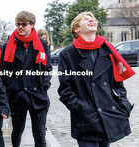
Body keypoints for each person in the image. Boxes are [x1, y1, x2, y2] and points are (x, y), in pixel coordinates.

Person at [58, 12, 135, 147]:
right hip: (86, 120)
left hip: (108, 115)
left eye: (93, 19)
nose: (92, 20)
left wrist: (123, 104)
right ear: (76, 29)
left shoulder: (107, 49)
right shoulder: (68, 54)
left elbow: (117, 82)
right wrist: (82, 109)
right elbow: (65, 89)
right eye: (86, 19)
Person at [0, 11, 52, 147]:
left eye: (24, 24)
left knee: (40, 135)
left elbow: (47, 68)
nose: (20, 27)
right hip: (18, 96)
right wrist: (14, 86)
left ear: (32, 25)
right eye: (18, 24)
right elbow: (3, 71)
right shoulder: (8, 45)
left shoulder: (41, 44)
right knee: (17, 132)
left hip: (38, 95)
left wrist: (44, 85)